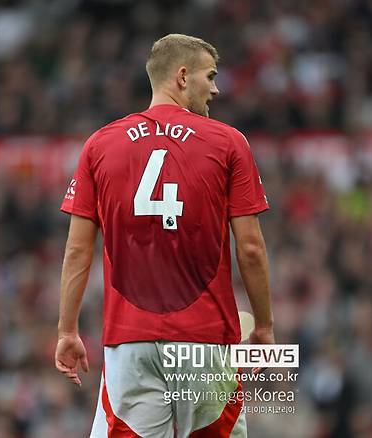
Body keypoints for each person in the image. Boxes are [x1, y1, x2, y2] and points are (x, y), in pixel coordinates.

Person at [55, 33, 274, 437]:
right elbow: (251, 248)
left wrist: (67, 330)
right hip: (206, 340)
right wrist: (263, 326)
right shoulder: (227, 142)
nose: (216, 87)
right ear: (183, 76)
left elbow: (77, 250)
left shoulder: (99, 144)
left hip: (130, 340)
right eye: (211, 76)